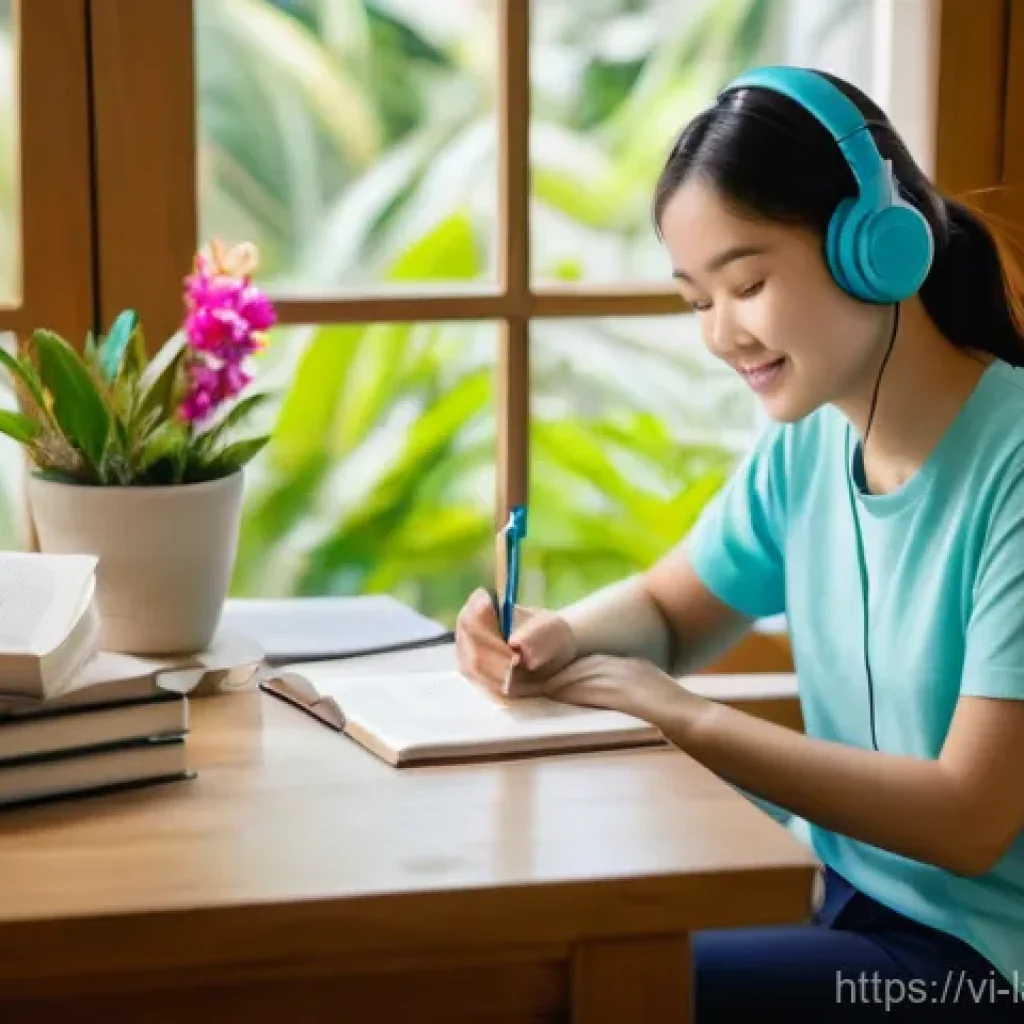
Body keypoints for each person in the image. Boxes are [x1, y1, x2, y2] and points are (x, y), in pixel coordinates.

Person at [454, 65, 1024, 1019]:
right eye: (695, 300)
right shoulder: (805, 444)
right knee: (540, 946)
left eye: (747, 283)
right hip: (827, 897)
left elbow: (970, 821)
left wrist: (685, 718)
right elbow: (673, 613)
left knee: (597, 993)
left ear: (874, 247)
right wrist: (560, 638)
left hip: (973, 968)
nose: (721, 334)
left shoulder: (1012, 469)